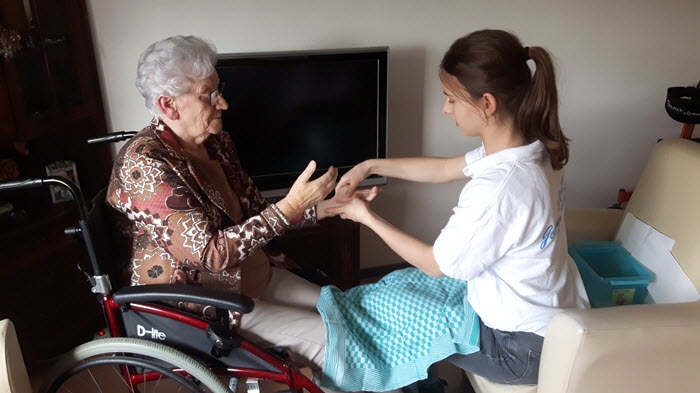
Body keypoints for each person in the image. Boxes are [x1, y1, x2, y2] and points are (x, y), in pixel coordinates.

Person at [322, 29, 590, 390]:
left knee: (393, 313)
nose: (445, 109)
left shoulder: (501, 188)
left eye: (450, 99)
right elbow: (445, 169)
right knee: (397, 286)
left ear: (487, 104)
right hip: (543, 318)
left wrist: (363, 216)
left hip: (519, 348)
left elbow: (434, 265)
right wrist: (369, 165)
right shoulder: (529, 147)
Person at [105, 35, 376, 372]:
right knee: (342, 345)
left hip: (255, 276)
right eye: (209, 95)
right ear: (168, 105)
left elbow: (255, 209)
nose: (223, 104)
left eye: (219, 89)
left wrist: (326, 207)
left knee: (348, 314)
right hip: (209, 304)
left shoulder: (216, 142)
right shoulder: (143, 165)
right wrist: (290, 206)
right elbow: (210, 256)